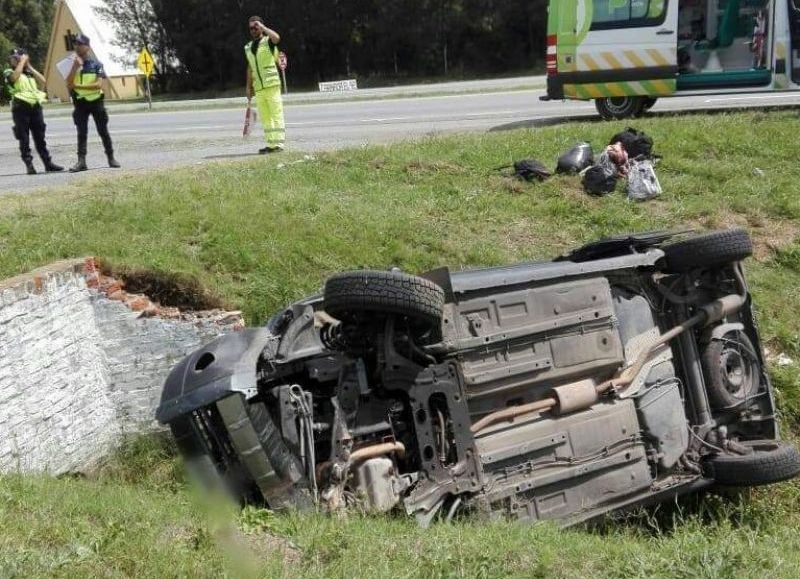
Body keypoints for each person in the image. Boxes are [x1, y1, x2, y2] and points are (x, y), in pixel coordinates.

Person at [3, 48, 63, 175]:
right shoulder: (9, 71)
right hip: (21, 108)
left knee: (40, 137)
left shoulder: (28, 73)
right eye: (14, 58)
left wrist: (29, 65)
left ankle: (48, 163)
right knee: (24, 138)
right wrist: (21, 63)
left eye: (18, 57)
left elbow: (43, 81)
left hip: (35, 107)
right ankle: (29, 165)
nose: (15, 60)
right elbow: (14, 79)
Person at [66, 34, 120, 172]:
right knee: (81, 133)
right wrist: (74, 67)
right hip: (80, 104)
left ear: (87, 47)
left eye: (80, 44)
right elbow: (68, 84)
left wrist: (77, 87)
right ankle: (81, 162)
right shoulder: (72, 64)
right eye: (75, 44)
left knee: (103, 131)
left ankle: (111, 157)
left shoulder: (98, 65)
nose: (77, 46)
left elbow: (98, 85)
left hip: (96, 103)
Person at [245, 16, 285, 153]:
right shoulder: (248, 47)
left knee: (276, 115)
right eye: (251, 28)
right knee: (266, 118)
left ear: (261, 26)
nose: (253, 30)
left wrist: (264, 28)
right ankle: (271, 144)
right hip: (259, 88)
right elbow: (250, 68)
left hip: (272, 85)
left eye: (256, 26)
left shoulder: (268, 41)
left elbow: (277, 38)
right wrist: (248, 87)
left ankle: (279, 144)